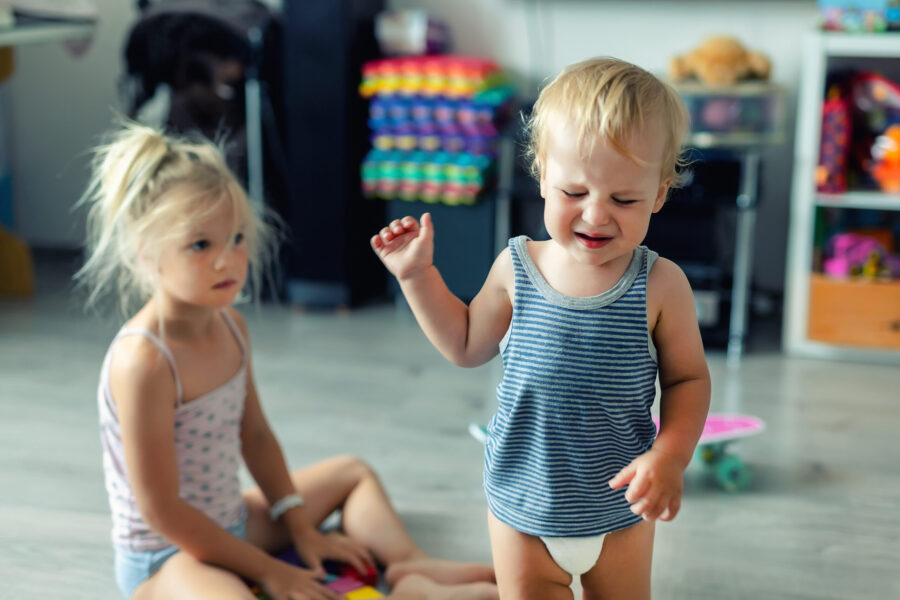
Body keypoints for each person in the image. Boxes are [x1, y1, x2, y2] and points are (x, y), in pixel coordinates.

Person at [78, 122, 499, 600]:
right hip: (169, 556)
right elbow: (162, 513)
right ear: (146, 252)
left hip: (231, 520)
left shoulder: (231, 327)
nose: (228, 261)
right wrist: (268, 570)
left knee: (352, 473)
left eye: (236, 238)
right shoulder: (143, 362)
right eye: (201, 245)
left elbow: (255, 436)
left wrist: (301, 529)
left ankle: (408, 567)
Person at [370, 57, 711, 599]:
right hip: (522, 505)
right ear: (542, 176)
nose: (597, 216)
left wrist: (670, 456)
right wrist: (417, 276)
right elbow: (463, 344)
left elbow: (689, 380)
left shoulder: (662, 285)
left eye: (624, 199)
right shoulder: (517, 267)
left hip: (618, 508)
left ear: (661, 193)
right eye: (575, 192)